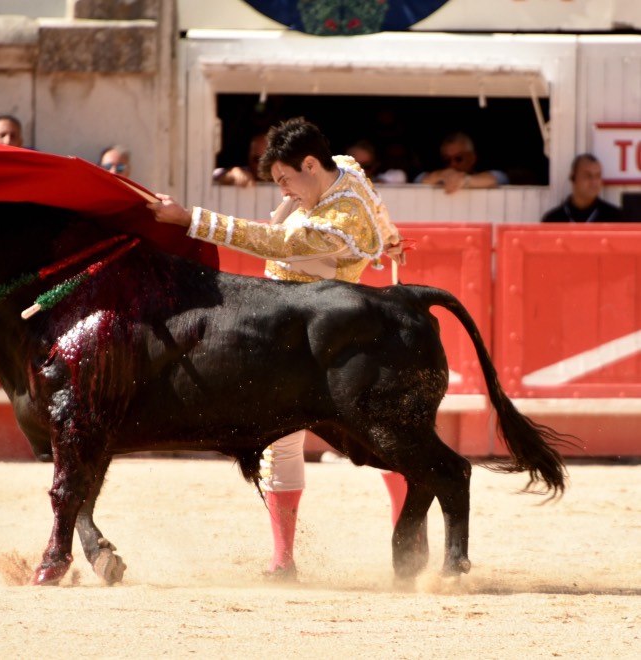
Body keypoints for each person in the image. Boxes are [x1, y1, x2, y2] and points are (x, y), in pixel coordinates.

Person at [149, 116, 409, 580]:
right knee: (295, 438)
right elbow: (376, 200)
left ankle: (395, 546)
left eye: (287, 180)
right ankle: (284, 560)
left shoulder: (338, 225)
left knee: (340, 439)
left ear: (311, 164)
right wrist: (391, 239)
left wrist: (190, 218)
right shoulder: (345, 167)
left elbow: (268, 240)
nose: (286, 192)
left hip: (309, 329)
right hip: (303, 314)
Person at [541, 153, 626, 223]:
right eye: (588, 176)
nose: (594, 182)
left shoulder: (615, 218)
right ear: (573, 178)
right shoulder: (553, 220)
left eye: (598, 176)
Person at [415, 131, 508, 194]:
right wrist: (441, 174)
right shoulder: (440, 179)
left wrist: (465, 180)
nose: (453, 164)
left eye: (458, 158)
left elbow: (499, 177)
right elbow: (419, 179)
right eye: (447, 160)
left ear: (472, 158)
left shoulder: (489, 175)